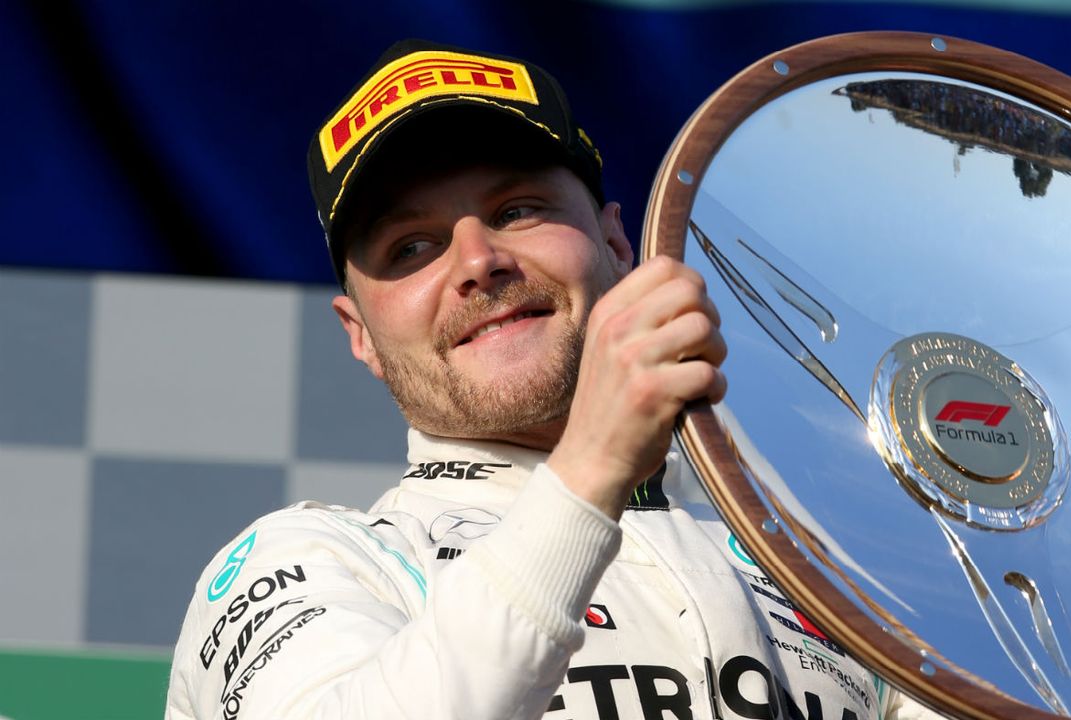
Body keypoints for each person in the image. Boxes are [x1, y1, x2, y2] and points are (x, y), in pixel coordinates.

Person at [165, 40, 933, 720]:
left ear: (617, 243)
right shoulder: (305, 562)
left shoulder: (820, 562)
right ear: (359, 334)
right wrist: (591, 467)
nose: (477, 262)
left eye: (519, 209)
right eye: (410, 248)